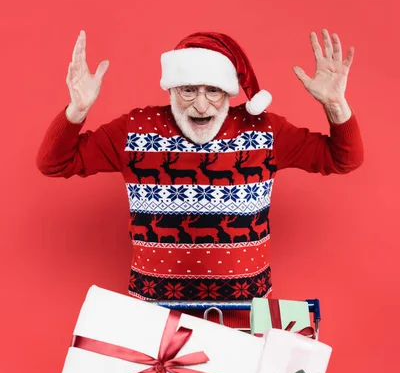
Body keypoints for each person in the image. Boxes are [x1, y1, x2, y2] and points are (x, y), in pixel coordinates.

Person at [37, 30, 363, 311]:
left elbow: (343, 159)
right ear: (171, 89)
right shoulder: (135, 129)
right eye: (189, 90)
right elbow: (55, 162)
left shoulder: (265, 129)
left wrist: (335, 104)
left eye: (213, 91)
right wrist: (77, 109)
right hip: (153, 318)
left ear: (229, 92)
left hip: (244, 316)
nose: (202, 106)